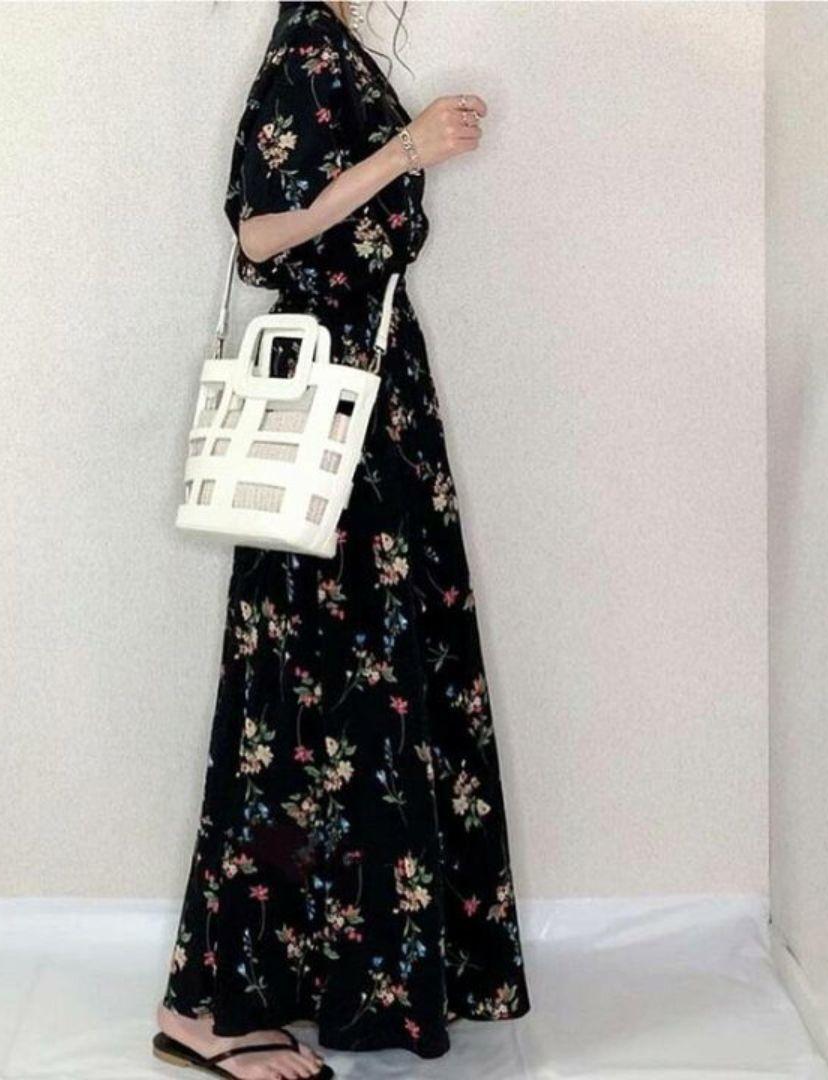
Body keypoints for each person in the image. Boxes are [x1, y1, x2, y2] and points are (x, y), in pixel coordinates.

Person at [154, 3, 531, 1077]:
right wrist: (406, 150)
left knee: (332, 700)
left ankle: (289, 984)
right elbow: (258, 232)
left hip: (369, 395)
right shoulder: (307, 49)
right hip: (331, 407)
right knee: (306, 700)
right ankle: (209, 1007)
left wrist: (406, 148)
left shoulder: (338, 49)